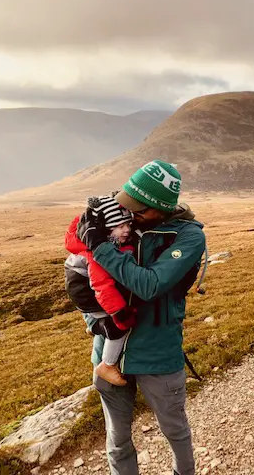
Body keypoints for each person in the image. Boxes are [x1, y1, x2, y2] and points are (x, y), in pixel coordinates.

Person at [77, 160, 206, 475]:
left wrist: (99, 247)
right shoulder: (113, 219)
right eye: (126, 204)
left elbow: (149, 285)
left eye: (138, 210)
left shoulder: (188, 237)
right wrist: (93, 320)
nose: (128, 214)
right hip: (109, 355)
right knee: (117, 439)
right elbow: (83, 278)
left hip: (158, 355)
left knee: (175, 432)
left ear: (160, 209)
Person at [64, 196, 137, 387]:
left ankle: (94, 324)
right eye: (120, 226)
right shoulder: (98, 251)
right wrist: (119, 314)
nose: (127, 230)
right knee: (118, 328)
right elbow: (102, 286)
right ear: (107, 229)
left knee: (103, 317)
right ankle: (107, 365)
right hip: (86, 292)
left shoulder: (105, 242)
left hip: (83, 290)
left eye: (128, 224)